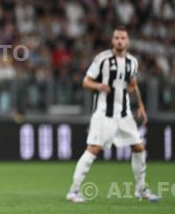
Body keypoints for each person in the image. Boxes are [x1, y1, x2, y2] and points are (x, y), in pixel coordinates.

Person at [66, 27, 160, 203]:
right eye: (116, 37)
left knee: (139, 148)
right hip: (104, 113)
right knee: (93, 149)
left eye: (123, 38)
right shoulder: (102, 59)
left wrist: (140, 105)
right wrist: (98, 86)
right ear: (112, 40)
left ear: (127, 41)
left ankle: (141, 190)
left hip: (124, 114)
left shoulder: (132, 62)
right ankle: (73, 191)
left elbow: (132, 84)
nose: (119, 41)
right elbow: (86, 81)